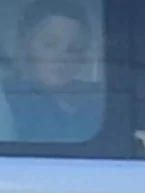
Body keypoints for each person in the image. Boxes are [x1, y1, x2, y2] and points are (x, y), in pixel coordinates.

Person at [6, 0, 104, 143]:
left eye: (73, 49)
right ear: (24, 48)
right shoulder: (7, 100)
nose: (62, 57)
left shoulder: (97, 101)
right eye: (50, 45)